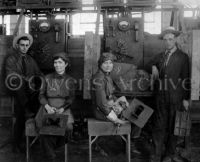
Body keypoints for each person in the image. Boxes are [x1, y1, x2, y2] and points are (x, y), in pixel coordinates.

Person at [149, 27, 190, 162]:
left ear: (175, 40)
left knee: (174, 127)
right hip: (160, 96)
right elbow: (147, 64)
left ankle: (169, 155)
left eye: (170, 39)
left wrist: (185, 98)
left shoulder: (183, 57)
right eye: (165, 40)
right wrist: (153, 66)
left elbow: (186, 78)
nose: (167, 42)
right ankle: (156, 155)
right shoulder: (160, 56)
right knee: (158, 126)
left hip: (176, 97)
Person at [4, 33, 42, 152]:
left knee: (37, 108)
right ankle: (16, 144)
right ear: (17, 46)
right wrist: (26, 79)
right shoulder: (11, 59)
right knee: (20, 113)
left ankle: (32, 139)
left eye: (27, 45)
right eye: (22, 45)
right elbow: (11, 75)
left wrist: (42, 82)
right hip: (15, 89)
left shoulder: (31, 60)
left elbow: (38, 73)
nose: (25, 48)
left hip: (29, 91)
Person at [35, 52, 75, 162]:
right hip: (47, 107)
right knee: (43, 127)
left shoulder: (70, 80)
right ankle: (50, 157)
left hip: (63, 109)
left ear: (66, 64)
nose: (57, 65)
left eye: (60, 62)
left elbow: (71, 98)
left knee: (68, 128)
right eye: (55, 62)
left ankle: (50, 150)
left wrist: (63, 108)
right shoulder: (46, 77)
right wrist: (47, 106)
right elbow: (41, 95)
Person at [92, 52, 128, 124]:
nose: (108, 65)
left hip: (109, 106)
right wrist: (115, 119)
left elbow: (109, 95)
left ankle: (134, 134)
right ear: (100, 64)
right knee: (133, 116)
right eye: (105, 63)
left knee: (132, 108)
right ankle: (134, 134)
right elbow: (101, 103)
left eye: (110, 63)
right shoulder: (99, 79)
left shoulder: (107, 76)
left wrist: (118, 103)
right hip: (101, 112)